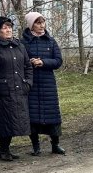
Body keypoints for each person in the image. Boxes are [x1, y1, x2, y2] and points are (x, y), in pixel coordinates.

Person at [0, 16, 33, 161]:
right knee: (4, 119)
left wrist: (28, 83)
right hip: (3, 90)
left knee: (15, 119)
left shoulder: (19, 46)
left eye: (9, 27)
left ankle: (7, 150)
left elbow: (28, 66)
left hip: (19, 88)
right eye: (4, 27)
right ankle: (3, 150)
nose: (8, 30)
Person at [20, 12, 65, 156]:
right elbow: (19, 61)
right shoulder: (23, 42)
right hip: (31, 83)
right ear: (31, 24)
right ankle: (35, 146)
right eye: (38, 22)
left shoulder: (50, 41)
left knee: (53, 114)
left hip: (48, 83)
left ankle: (55, 144)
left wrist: (43, 62)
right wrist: (30, 63)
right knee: (32, 115)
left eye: (43, 22)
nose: (41, 25)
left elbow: (58, 61)